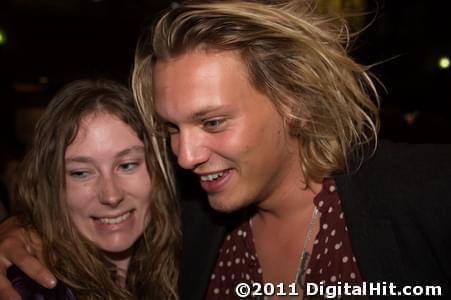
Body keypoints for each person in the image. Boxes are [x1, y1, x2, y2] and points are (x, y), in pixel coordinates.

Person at [0, 1, 450, 299]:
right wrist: (17, 230)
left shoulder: (424, 194)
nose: (185, 155)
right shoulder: (192, 221)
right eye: (171, 127)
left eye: (212, 122)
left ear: (291, 98)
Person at [3, 79, 180, 299]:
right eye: (81, 173)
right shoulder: (33, 288)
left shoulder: (191, 258)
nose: (111, 196)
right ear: (52, 185)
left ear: (159, 168)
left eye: (127, 166)